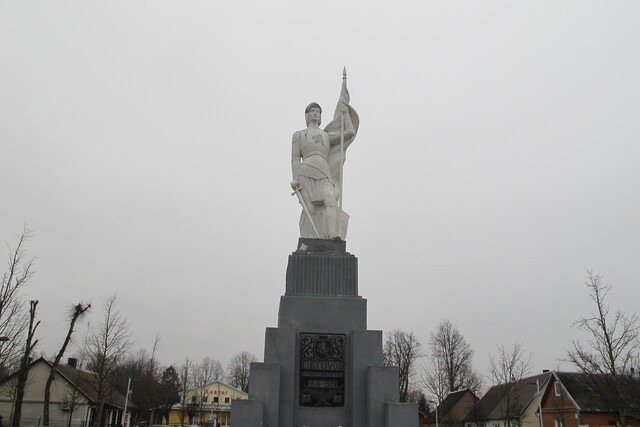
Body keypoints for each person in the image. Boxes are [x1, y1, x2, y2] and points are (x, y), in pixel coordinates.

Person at [291, 101, 357, 239]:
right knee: (310, 210)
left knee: (330, 201)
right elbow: (295, 158)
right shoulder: (299, 135)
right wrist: (295, 178)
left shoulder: (326, 135)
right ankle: (310, 239)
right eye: (312, 111)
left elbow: (350, 132)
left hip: (324, 174)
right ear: (307, 115)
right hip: (306, 174)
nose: (315, 113)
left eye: (318, 111)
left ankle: (332, 234)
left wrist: (345, 114)